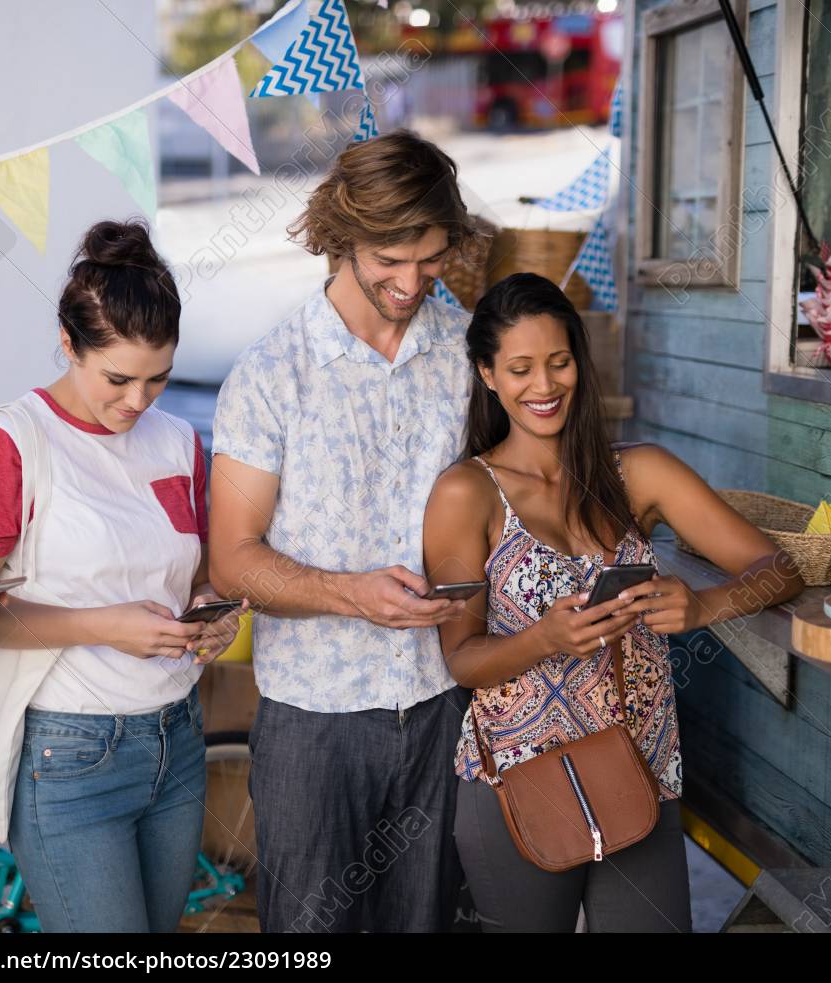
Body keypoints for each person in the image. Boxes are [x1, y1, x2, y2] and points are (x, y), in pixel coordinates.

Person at [423, 273, 805, 933]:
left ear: (581, 361)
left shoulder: (641, 472)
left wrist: (707, 605)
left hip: (640, 771)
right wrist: (543, 639)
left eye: (559, 362)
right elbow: (461, 657)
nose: (543, 386)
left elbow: (781, 567)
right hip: (518, 779)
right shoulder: (466, 493)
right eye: (519, 368)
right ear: (487, 374)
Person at [209, 131, 489, 933]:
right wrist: (348, 594)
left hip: (441, 702)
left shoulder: (466, 349)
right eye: (389, 260)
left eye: (430, 259)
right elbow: (231, 560)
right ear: (341, 236)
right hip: (312, 720)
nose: (410, 283)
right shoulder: (270, 374)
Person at [0, 219, 246, 933]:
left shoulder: (175, 440)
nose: (139, 401)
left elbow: (191, 576)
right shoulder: (6, 445)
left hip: (177, 741)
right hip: (68, 755)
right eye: (118, 378)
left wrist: (209, 609)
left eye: (158, 377)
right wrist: (104, 626)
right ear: (69, 343)